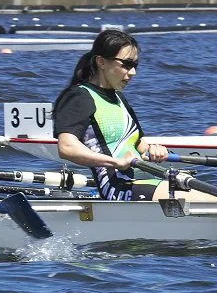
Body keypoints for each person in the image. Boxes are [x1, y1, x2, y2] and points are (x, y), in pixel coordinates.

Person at [52, 29, 169, 200]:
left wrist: (155, 151)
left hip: (143, 181)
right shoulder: (79, 96)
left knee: (215, 197)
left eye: (135, 65)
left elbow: (139, 146)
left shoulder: (119, 99)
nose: (133, 72)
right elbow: (66, 148)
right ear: (101, 62)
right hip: (118, 189)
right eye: (126, 64)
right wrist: (116, 163)